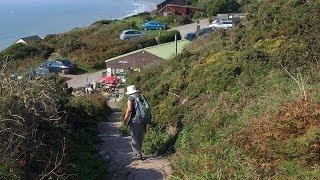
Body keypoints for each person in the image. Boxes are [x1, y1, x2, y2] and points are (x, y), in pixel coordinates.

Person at [123, 85, 150, 160]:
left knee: (134, 138)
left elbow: (129, 110)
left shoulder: (130, 98)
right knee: (140, 137)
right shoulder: (141, 96)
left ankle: (137, 155)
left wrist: (125, 120)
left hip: (135, 120)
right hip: (143, 120)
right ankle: (139, 153)